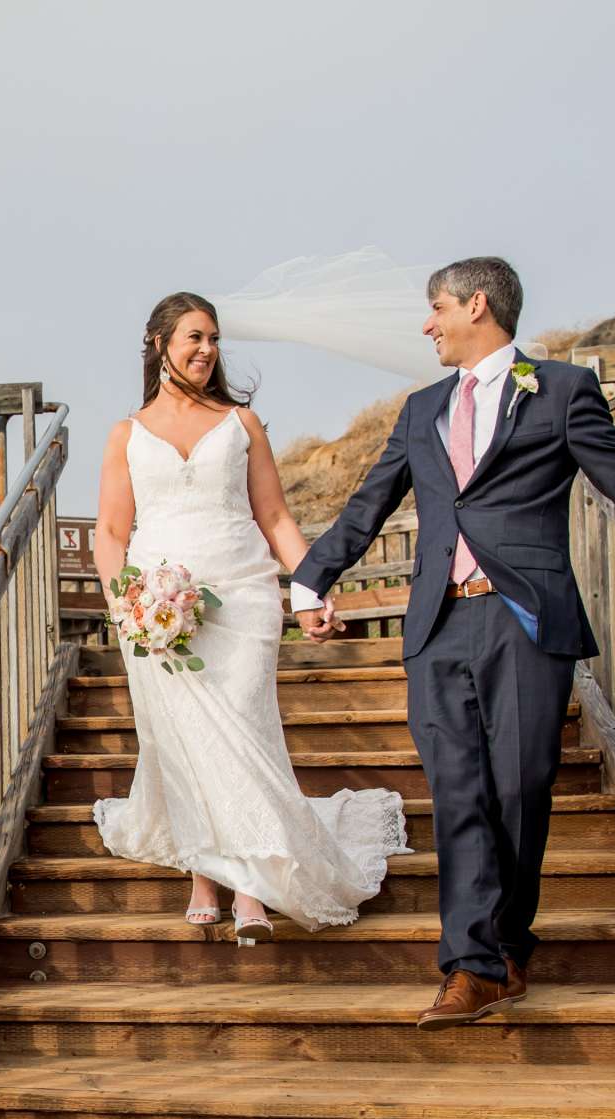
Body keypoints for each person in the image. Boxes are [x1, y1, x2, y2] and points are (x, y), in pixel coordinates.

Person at [291, 256, 615, 1027]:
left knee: (518, 792)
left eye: (437, 308)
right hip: (438, 625)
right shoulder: (421, 408)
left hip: (522, 621)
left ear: (476, 305)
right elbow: (368, 504)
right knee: (457, 796)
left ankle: (508, 944)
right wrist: (308, 580)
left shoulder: (558, 391)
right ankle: (471, 966)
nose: (428, 324)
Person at [89, 292, 410, 943]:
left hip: (241, 595)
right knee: (179, 740)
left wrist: (312, 589)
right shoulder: (126, 434)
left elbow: (276, 519)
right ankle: (207, 875)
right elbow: (110, 531)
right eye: (193, 337)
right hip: (154, 606)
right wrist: (125, 599)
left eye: (213, 338)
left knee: (244, 730)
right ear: (159, 344)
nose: (206, 349)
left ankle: (254, 884)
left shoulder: (243, 423)